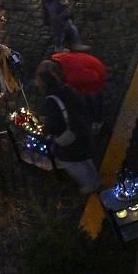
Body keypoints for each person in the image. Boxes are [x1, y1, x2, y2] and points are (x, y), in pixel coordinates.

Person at [34, 59, 101, 194]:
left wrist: (45, 128)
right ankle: (95, 178)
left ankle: (90, 184)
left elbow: (54, 126)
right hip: (82, 131)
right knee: (85, 158)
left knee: (72, 163)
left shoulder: (50, 101)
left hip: (70, 142)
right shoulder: (67, 89)